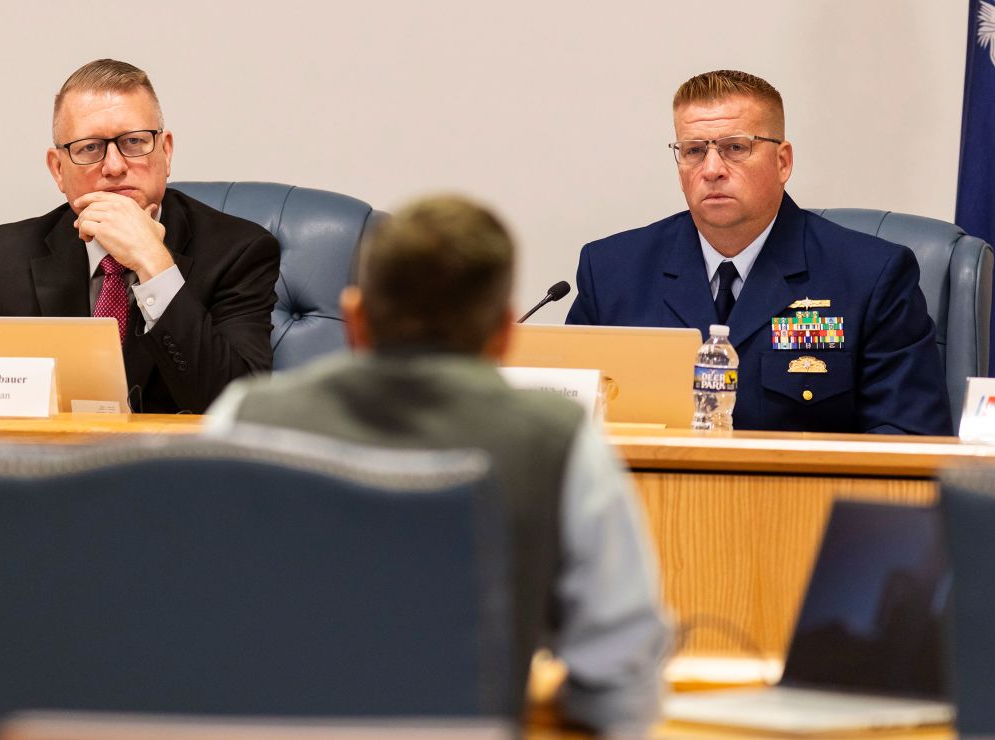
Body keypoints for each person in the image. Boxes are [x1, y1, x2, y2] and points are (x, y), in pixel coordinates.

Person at [205, 195, 669, 731]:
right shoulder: (560, 441)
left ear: (354, 320)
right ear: (503, 331)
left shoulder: (246, 416)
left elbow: (198, 617)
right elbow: (619, 674)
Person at [566, 70, 952, 435]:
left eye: (735, 148)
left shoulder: (871, 276)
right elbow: (568, 425)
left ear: (782, 161)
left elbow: (909, 439)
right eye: (694, 151)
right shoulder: (612, 273)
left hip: (805, 502)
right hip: (654, 502)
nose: (712, 169)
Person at [0, 59, 280, 413]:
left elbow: (239, 407)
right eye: (90, 147)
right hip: (45, 463)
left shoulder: (239, 252)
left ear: (165, 152)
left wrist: (154, 265)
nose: (115, 166)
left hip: (172, 465)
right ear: (58, 170)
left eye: (134, 142)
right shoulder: (0, 256)